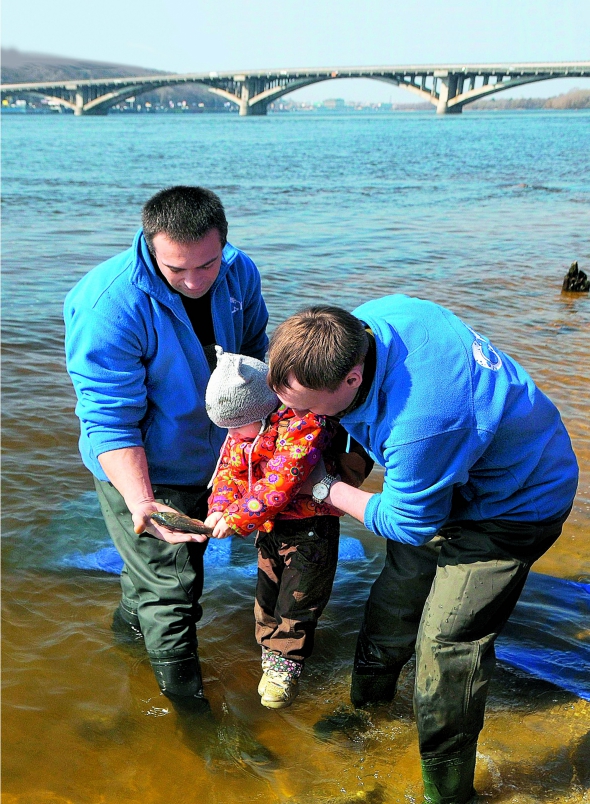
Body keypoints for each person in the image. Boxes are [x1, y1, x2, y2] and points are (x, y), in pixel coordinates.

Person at [266, 298, 578, 804]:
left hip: (518, 502)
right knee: (395, 600)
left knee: (446, 645)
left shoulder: (424, 422)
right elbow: (371, 436)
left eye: (305, 405)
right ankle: (366, 713)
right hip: (452, 475)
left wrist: (320, 487)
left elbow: (408, 524)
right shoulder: (373, 321)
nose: (295, 415)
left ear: (352, 378)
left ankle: (448, 788)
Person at [64, 186, 269, 711]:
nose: (196, 281)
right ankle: (194, 722)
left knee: (158, 583)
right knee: (174, 592)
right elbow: (110, 421)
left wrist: (254, 445)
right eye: (178, 269)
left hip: (213, 459)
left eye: (208, 263)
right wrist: (142, 502)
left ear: (224, 242)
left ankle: (126, 653)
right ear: (150, 245)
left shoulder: (240, 271)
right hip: (143, 470)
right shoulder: (108, 306)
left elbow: (253, 356)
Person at [203, 346, 345, 709]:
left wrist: (235, 519)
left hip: (311, 527)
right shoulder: (242, 434)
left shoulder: (305, 426)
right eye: (227, 429)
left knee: (298, 598)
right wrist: (219, 509)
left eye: (236, 426)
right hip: (270, 529)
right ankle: (271, 654)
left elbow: (279, 486)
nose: (232, 436)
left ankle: (285, 665)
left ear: (264, 410)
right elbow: (229, 473)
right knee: (266, 598)